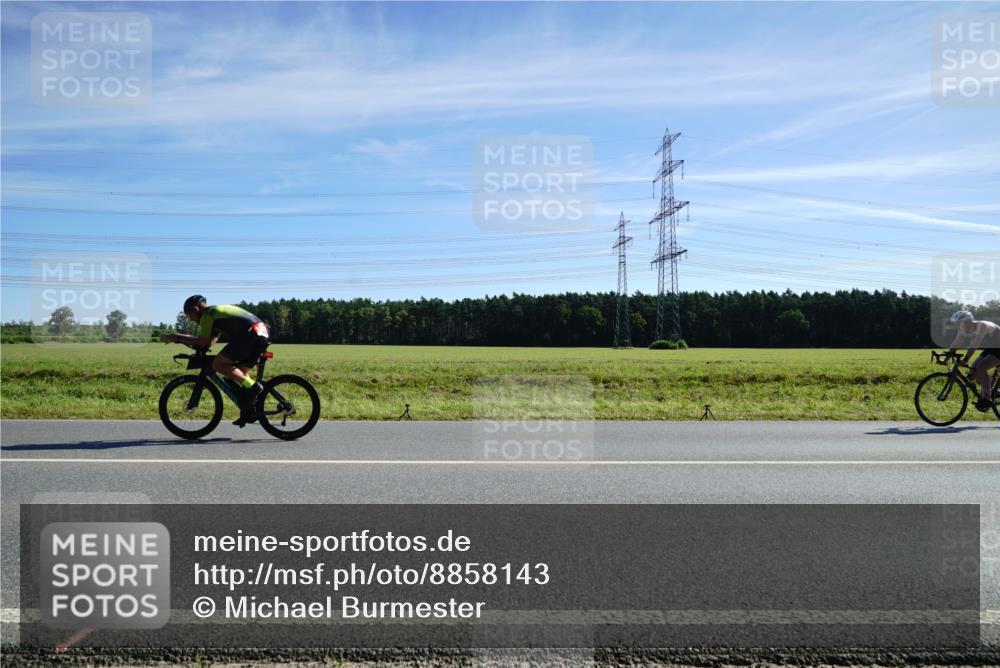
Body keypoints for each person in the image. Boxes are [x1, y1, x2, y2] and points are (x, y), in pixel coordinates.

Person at [160, 295, 270, 424]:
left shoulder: (208, 315)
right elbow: (208, 342)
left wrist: (177, 337)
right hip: (262, 333)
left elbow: (202, 341)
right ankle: (249, 410)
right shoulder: (215, 315)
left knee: (218, 364)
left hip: (250, 334)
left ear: (195, 309)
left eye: (189, 315)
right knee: (237, 373)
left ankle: (254, 387)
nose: (190, 320)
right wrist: (188, 342)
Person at [945, 310, 1000, 412]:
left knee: (980, 367)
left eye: (958, 324)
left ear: (967, 322)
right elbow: (957, 342)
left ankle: (988, 398)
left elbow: (975, 344)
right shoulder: (963, 330)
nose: (957, 326)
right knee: (973, 371)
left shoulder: (982, 325)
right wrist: (946, 358)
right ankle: (991, 389)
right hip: (992, 348)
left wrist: (966, 359)